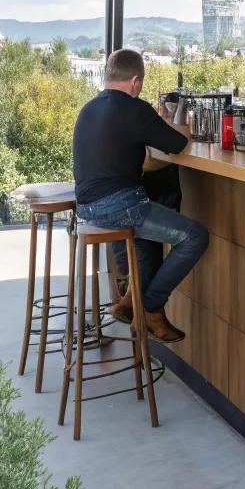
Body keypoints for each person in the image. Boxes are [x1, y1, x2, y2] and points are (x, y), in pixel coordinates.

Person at [71, 48, 208, 343]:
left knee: (146, 238)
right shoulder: (135, 109)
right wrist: (177, 122)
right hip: (120, 208)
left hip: (86, 208)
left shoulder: (89, 108)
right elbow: (178, 143)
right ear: (135, 81)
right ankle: (151, 307)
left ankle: (129, 302)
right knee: (195, 236)